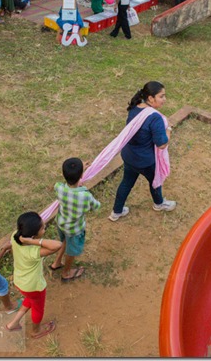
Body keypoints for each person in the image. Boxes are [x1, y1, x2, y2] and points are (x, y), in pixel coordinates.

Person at [109, 81, 176, 221]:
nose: (165, 100)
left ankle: (116, 212)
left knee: (126, 183)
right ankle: (159, 204)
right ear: (151, 98)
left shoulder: (135, 108)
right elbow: (162, 144)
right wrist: (168, 129)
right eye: (161, 96)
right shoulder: (155, 118)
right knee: (155, 181)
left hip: (129, 156)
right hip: (145, 161)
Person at [6, 211, 62, 339]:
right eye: (42, 228)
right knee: (38, 308)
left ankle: (13, 323)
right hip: (33, 286)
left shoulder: (15, 236)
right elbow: (57, 245)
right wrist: (33, 242)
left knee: (30, 299)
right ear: (32, 236)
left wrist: (28, 239)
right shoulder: (32, 251)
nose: (45, 228)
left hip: (20, 281)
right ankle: (36, 331)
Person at [49, 158, 101, 282]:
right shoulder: (85, 196)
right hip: (74, 229)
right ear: (81, 175)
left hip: (61, 224)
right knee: (71, 251)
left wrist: (78, 173)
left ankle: (56, 263)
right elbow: (96, 206)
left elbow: (63, 185)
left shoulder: (59, 187)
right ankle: (66, 273)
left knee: (65, 241)